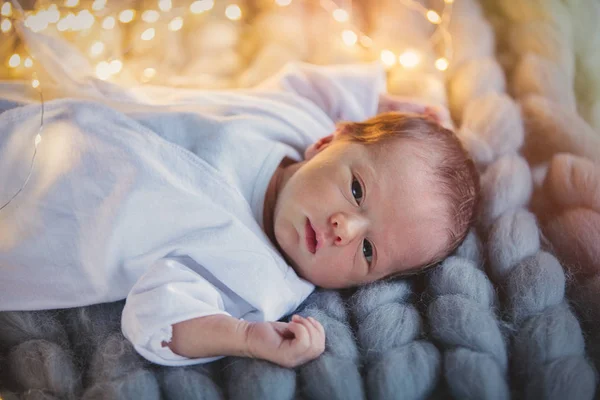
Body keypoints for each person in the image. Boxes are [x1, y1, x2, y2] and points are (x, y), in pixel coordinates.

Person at [0, 61, 479, 369]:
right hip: (41, 113)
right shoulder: (292, 123)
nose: (344, 229)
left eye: (369, 250)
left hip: (36, 216)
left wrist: (247, 337)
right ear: (326, 144)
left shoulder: (260, 280)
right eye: (356, 190)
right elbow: (314, 85)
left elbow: (158, 316)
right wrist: (387, 104)